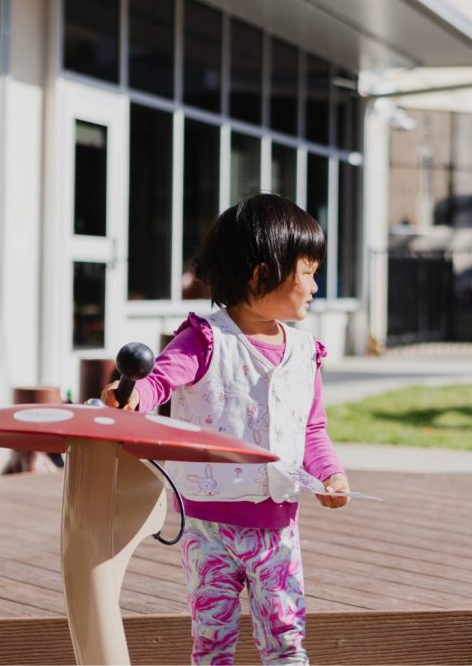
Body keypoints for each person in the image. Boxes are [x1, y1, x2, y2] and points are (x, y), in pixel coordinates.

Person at [102, 193, 349, 665]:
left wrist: (330, 475)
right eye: (308, 272)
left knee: (286, 638)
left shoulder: (303, 352)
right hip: (207, 529)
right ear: (261, 274)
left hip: (277, 530)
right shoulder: (205, 338)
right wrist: (130, 396)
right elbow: (157, 383)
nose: (316, 286)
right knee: (211, 641)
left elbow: (312, 430)